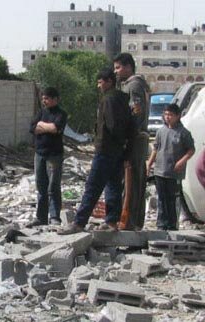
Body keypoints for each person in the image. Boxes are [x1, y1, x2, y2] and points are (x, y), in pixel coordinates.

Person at [59, 68, 132, 235]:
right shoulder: (122, 99)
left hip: (106, 150)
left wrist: (110, 142)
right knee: (113, 186)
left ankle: (79, 223)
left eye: (101, 82)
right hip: (118, 150)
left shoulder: (109, 100)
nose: (99, 86)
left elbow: (112, 126)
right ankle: (112, 221)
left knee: (93, 186)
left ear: (109, 82)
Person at [113, 53, 151, 230]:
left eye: (118, 67)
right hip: (137, 139)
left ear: (128, 67)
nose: (116, 71)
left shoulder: (134, 86)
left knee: (132, 181)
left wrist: (126, 135)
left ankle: (130, 222)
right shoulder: (135, 85)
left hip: (135, 140)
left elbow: (136, 113)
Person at [146, 104, 195, 230]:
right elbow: (156, 148)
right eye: (166, 114)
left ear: (178, 116)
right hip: (160, 171)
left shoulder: (183, 133)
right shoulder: (161, 131)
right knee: (161, 199)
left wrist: (181, 162)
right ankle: (161, 225)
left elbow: (191, 150)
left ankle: (172, 225)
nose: (168, 117)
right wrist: (149, 164)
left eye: (171, 115)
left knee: (172, 199)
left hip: (174, 173)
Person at [27, 87, 68, 227]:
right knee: (41, 186)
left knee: (53, 187)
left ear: (55, 99)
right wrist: (46, 127)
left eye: (47, 98)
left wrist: (42, 126)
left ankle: (55, 217)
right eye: (43, 98)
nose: (44, 101)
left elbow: (56, 128)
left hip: (54, 155)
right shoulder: (41, 112)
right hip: (39, 153)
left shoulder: (61, 114)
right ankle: (41, 217)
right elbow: (32, 128)